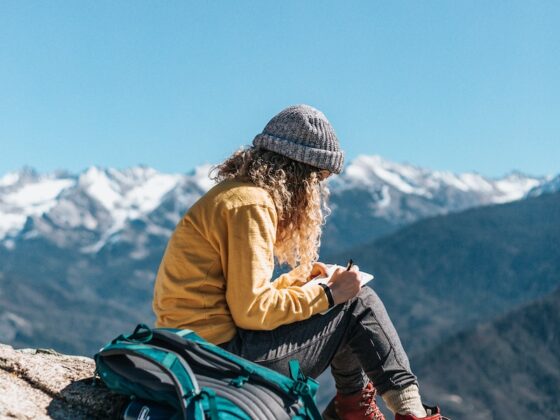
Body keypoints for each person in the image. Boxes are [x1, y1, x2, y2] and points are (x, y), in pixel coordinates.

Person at [152, 105, 445, 420]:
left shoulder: (233, 196)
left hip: (193, 351)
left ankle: (355, 409)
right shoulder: (252, 205)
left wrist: (302, 280)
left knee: (344, 302)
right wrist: (329, 295)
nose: (316, 191)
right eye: (317, 180)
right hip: (218, 361)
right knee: (357, 301)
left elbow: (237, 295)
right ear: (300, 174)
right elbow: (252, 311)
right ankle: (408, 413)